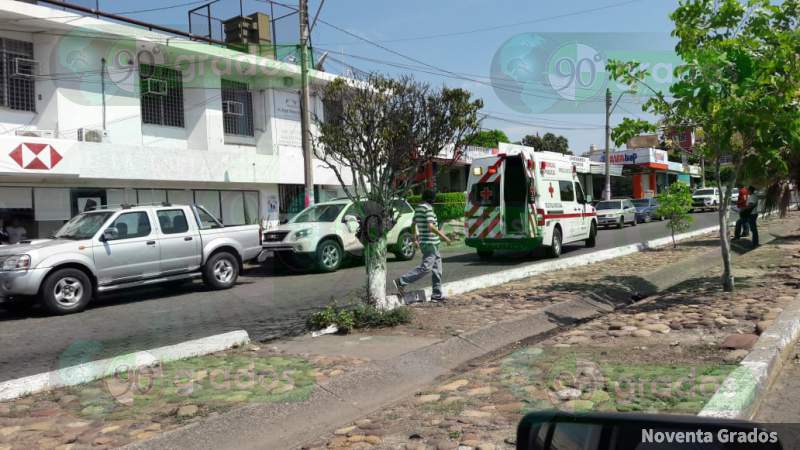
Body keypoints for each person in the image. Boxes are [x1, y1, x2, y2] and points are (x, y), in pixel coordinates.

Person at [393, 189, 452, 302]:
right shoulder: (428, 209)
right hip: (430, 242)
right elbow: (431, 226)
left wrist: (415, 238)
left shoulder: (419, 208)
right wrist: (445, 237)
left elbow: (413, 224)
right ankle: (401, 281)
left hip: (429, 243)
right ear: (432, 199)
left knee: (437, 270)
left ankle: (436, 295)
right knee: (426, 268)